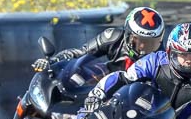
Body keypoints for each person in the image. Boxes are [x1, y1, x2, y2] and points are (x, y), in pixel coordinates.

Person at [32, 7, 165, 73]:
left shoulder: (163, 58)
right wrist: (53, 61)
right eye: (138, 40)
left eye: (150, 43)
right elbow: (79, 53)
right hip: (105, 92)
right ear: (128, 34)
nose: (143, 47)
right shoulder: (112, 36)